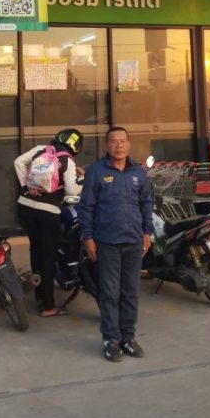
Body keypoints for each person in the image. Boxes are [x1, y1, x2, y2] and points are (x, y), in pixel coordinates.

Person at [78, 127, 153, 362]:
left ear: (129, 144)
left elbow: (146, 203)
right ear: (106, 145)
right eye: (114, 141)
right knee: (110, 293)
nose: (119, 145)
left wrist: (147, 232)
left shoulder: (138, 172)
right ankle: (110, 339)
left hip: (133, 241)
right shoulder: (96, 171)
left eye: (123, 141)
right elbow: (86, 207)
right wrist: (88, 238)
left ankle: (128, 338)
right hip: (107, 242)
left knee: (130, 293)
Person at [14, 128, 84, 317]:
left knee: (36, 250)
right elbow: (72, 191)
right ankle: (48, 306)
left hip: (25, 206)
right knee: (48, 257)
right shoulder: (67, 160)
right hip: (48, 211)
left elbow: (18, 162)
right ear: (76, 147)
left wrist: (25, 186)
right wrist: (83, 179)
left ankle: (39, 295)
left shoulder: (40, 149)